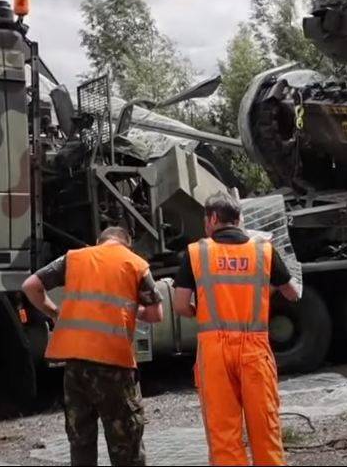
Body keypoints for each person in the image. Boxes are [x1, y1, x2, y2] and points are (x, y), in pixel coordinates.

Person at [172, 192, 300, 466]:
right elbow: (293, 293)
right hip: (254, 349)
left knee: (224, 435)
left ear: (213, 219)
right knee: (265, 430)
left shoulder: (196, 253)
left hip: (214, 352)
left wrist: (202, 313)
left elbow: (181, 305)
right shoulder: (263, 251)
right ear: (239, 219)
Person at [22, 226, 163, 467]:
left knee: (81, 443)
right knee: (126, 444)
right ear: (127, 244)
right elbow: (155, 313)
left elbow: (31, 285)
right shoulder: (135, 264)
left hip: (76, 366)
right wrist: (132, 309)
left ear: (99, 242)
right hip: (114, 366)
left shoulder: (75, 257)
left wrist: (56, 313)